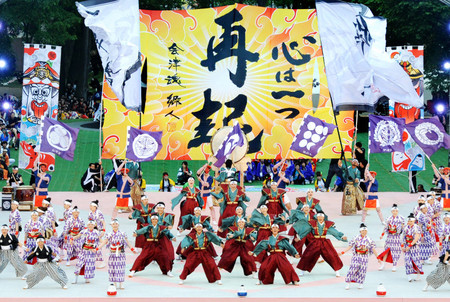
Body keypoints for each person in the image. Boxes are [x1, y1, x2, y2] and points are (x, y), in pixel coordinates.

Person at [296, 211, 348, 277]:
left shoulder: (327, 224)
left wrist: (342, 236)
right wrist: (300, 237)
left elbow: (334, 232)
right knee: (308, 255)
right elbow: (306, 231)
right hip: (315, 242)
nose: (320, 218)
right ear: (317, 217)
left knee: (332, 255)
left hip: (324, 242)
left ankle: (337, 270)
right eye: (319, 217)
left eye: (321, 217)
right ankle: (302, 271)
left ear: (323, 218)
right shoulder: (313, 224)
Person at [96, 219, 136, 290]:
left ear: (118, 225)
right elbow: (104, 242)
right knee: (113, 268)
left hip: (120, 253)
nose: (115, 225)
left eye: (116, 224)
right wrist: (97, 248)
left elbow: (127, 242)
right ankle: (114, 283)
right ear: (111, 225)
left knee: (121, 268)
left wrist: (132, 249)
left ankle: (121, 283)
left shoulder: (122, 233)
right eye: (113, 224)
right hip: (113, 253)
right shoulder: (109, 234)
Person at [341, 223, 380, 289]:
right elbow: (350, 246)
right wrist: (343, 252)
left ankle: (360, 283)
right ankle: (348, 283)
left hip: (364, 257)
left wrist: (378, 257)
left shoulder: (369, 239)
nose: (364, 232)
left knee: (363, 270)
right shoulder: (356, 238)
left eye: (365, 231)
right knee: (352, 269)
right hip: (356, 255)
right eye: (363, 231)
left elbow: (373, 249)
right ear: (360, 231)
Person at [378, 204, 405, 272]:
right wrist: (382, 234)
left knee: (396, 251)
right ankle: (383, 264)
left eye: (396, 211)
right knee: (386, 250)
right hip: (389, 236)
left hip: (397, 237)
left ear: (397, 211)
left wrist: (404, 236)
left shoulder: (401, 218)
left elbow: (403, 228)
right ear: (391, 211)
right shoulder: (389, 218)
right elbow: (386, 227)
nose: (395, 212)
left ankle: (394, 265)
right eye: (393, 211)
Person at [402, 213, 423, 282]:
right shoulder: (405, 227)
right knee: (407, 260)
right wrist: (402, 245)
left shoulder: (416, 227)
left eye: (411, 221)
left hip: (414, 246)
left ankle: (418, 275)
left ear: (414, 221)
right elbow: (403, 237)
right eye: (408, 221)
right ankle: (408, 275)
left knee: (416, 260)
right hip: (407, 245)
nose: (409, 222)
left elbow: (416, 238)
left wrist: (410, 245)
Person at [87, 200, 106, 267]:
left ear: (95, 207)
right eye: (90, 206)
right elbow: (89, 222)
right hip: (92, 231)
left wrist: (103, 230)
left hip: (99, 231)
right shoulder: (90, 213)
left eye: (91, 206)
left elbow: (103, 222)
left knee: (97, 246)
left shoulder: (99, 213)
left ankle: (102, 261)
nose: (90, 207)